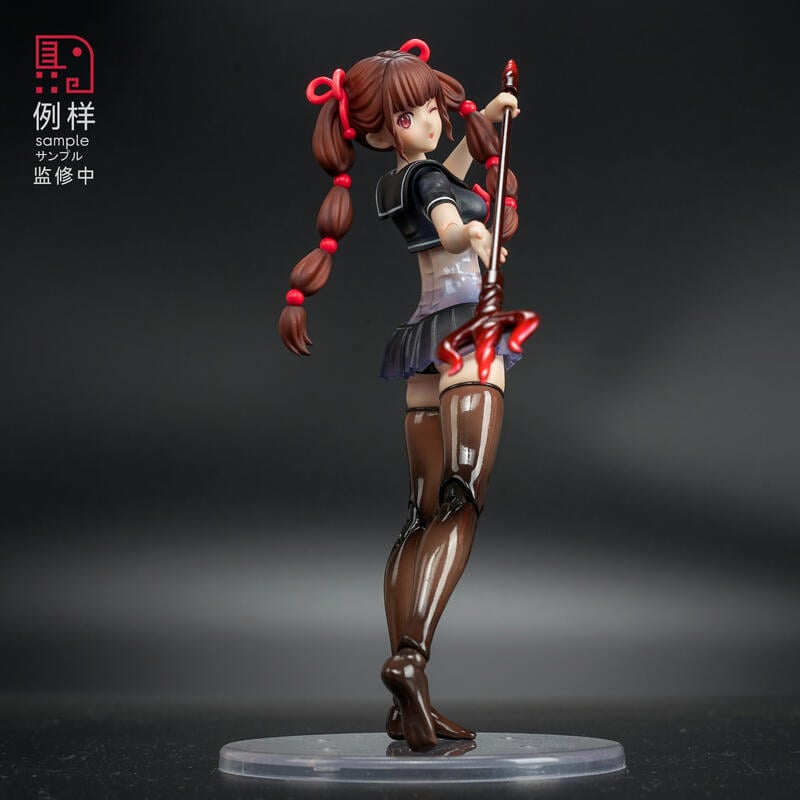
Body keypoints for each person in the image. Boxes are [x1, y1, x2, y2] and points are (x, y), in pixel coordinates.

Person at [279, 39, 523, 751]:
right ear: (386, 131)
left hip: (422, 342)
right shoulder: (431, 186)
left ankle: (404, 693)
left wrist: (486, 123)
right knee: (463, 499)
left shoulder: (397, 181)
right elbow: (448, 218)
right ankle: (411, 658)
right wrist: (473, 233)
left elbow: (439, 179)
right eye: (414, 115)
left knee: (420, 517)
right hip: (467, 337)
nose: (433, 120)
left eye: (432, 107)